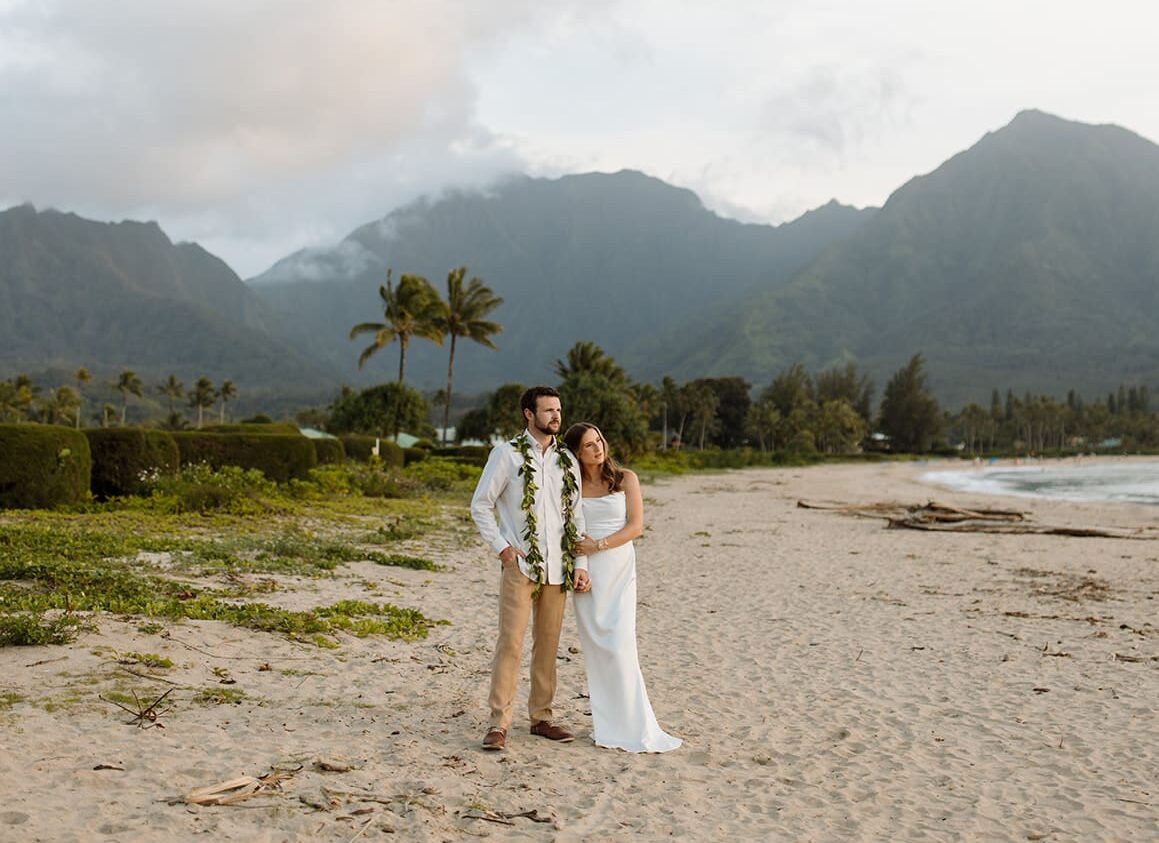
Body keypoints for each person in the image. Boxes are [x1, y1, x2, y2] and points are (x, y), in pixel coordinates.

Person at [470, 386, 591, 751]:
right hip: (521, 566)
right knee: (511, 643)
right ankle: (498, 724)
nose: (556, 416)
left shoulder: (567, 460)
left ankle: (541, 718)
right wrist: (503, 548)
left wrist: (580, 562)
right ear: (528, 413)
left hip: (558, 567)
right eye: (548, 410)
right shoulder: (506, 454)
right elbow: (480, 504)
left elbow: (577, 514)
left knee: (548, 645)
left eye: (558, 409)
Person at [563, 422, 681, 753]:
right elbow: (574, 532)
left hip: (618, 567)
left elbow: (636, 527)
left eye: (599, 440)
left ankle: (637, 726)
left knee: (620, 644)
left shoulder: (625, 478)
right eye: (588, 445)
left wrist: (598, 546)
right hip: (587, 575)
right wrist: (581, 566)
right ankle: (609, 727)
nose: (598, 447)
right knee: (598, 651)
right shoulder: (570, 486)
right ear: (576, 453)